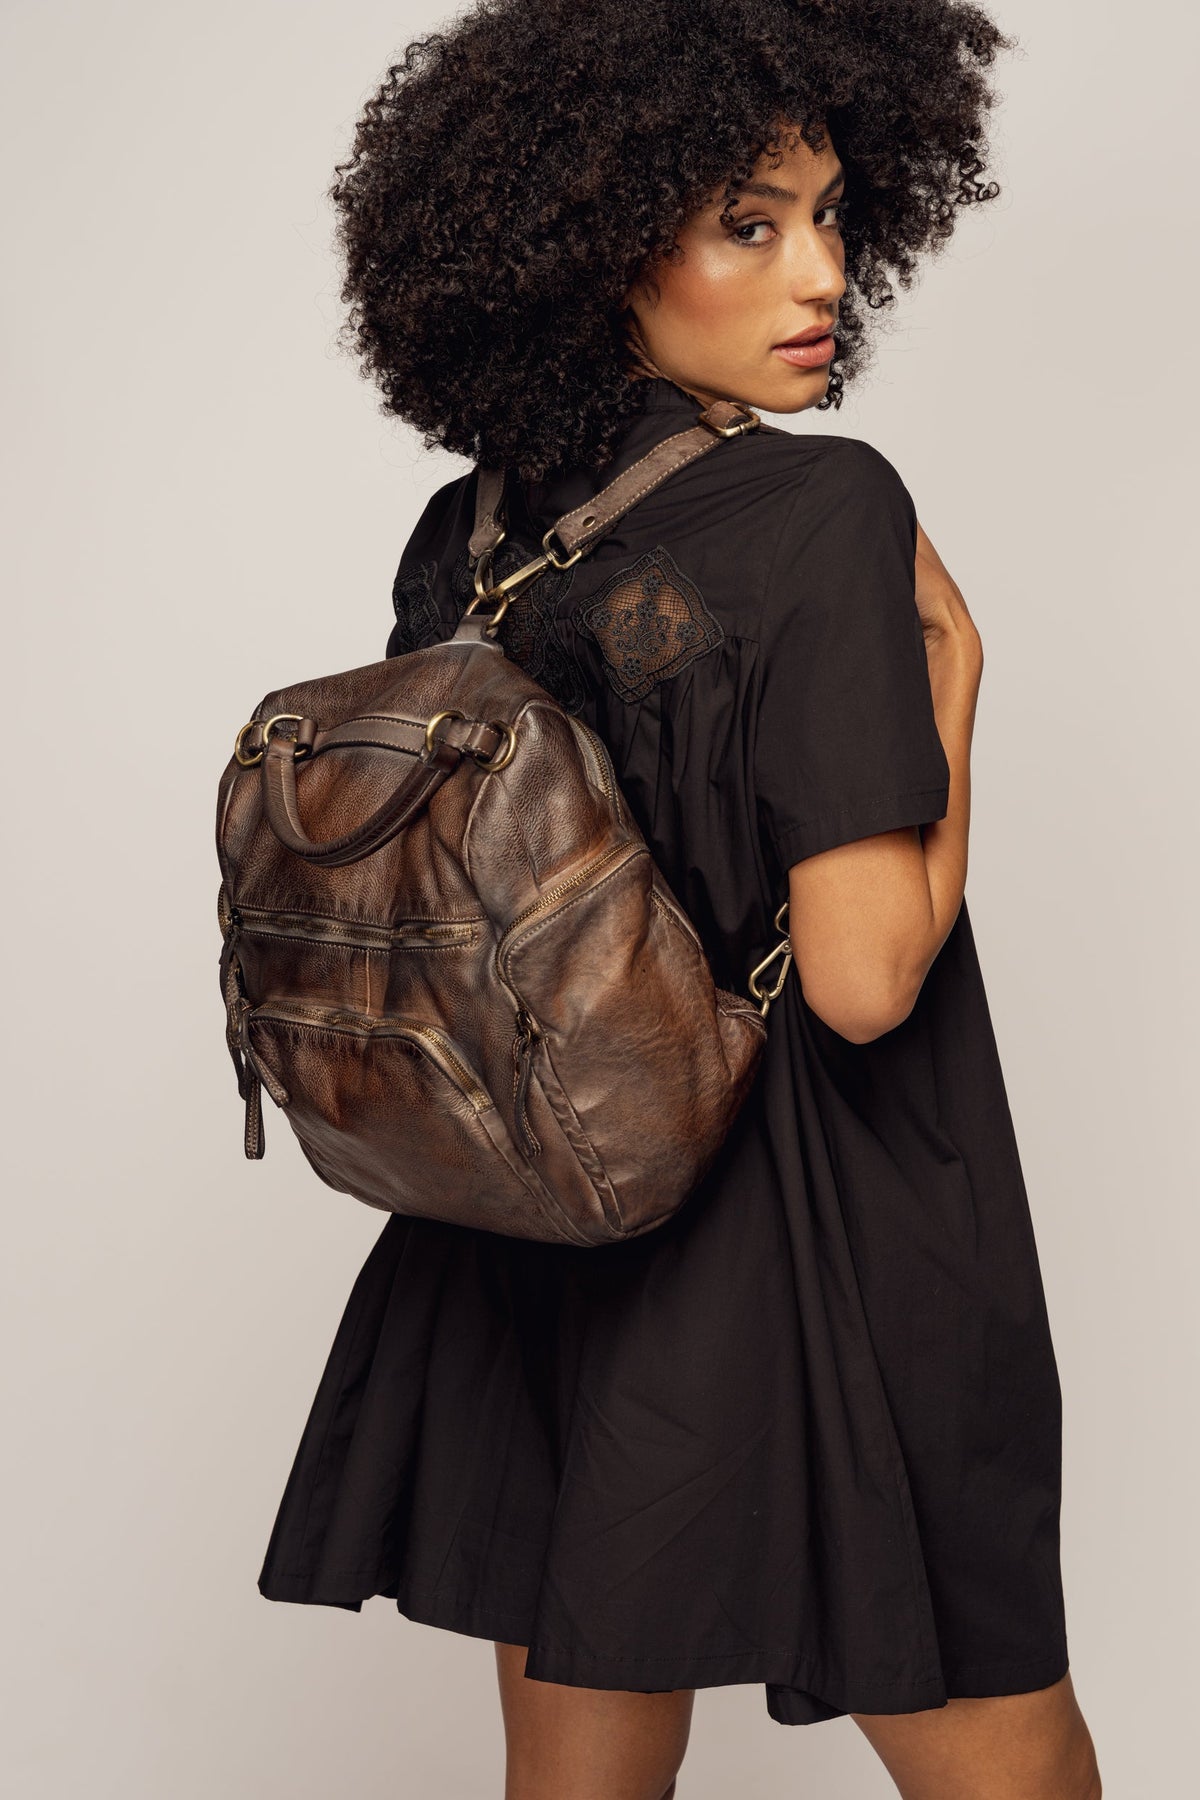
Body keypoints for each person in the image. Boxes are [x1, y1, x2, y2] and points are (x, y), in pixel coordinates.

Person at [256, 3, 1103, 1794]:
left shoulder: (470, 532)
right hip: (823, 1235)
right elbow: (864, 980)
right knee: (1005, 1750)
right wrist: (960, 687)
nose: (823, 274)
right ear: (593, 245)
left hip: (536, 1220)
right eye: (748, 223)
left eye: (833, 214)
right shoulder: (825, 508)